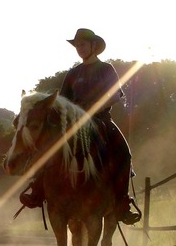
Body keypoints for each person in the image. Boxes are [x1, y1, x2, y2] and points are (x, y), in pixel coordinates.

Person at [20, 28, 139, 225]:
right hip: (73, 125)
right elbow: (62, 101)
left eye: (83, 44)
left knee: (124, 153)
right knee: (49, 147)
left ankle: (122, 204)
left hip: (101, 121)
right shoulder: (73, 73)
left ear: (94, 46)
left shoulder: (106, 69)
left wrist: (95, 107)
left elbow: (116, 95)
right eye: (77, 45)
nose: (79, 48)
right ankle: (37, 191)